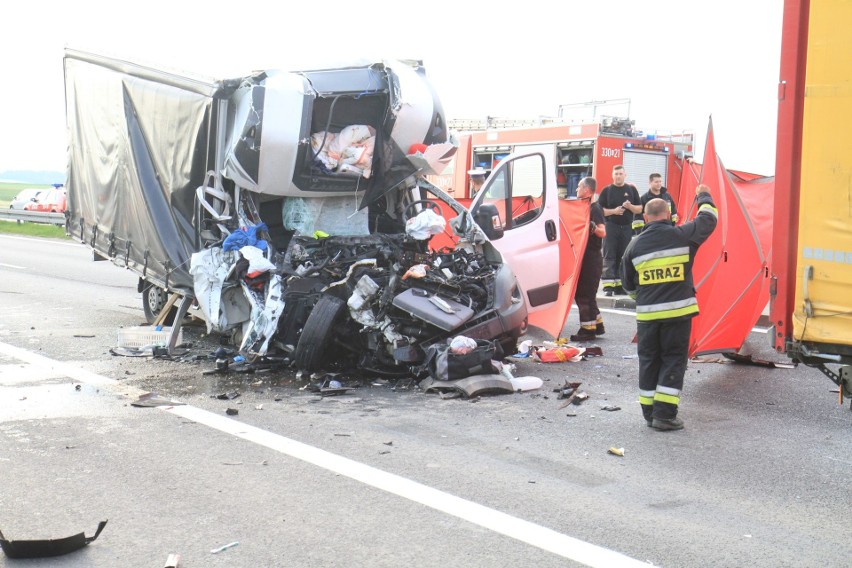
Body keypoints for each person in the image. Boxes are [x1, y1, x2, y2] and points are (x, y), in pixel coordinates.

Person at [622, 183, 718, 431]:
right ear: (669, 215)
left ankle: (649, 412)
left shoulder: (634, 246)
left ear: (645, 217)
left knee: (648, 361)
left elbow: (628, 284)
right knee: (673, 360)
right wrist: (703, 194)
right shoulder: (683, 235)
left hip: (647, 317)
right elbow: (709, 218)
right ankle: (664, 415)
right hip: (677, 314)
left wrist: (644, 298)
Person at [569, 177, 607, 342]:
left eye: (579, 187)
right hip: (587, 257)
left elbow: (602, 232)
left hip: (591, 257)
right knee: (588, 294)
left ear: (587, 190)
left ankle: (587, 329)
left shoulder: (595, 208)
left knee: (584, 294)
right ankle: (597, 325)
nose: (576, 190)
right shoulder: (584, 208)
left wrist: (592, 226)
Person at [597, 165, 642, 296]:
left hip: (627, 227)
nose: (618, 176)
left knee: (623, 256)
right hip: (611, 225)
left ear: (625, 175)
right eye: (616, 174)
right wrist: (614, 211)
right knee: (609, 254)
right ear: (612, 175)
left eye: (620, 174)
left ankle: (620, 285)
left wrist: (630, 206)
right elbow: (600, 211)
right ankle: (609, 286)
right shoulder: (607, 190)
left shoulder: (631, 190)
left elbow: (639, 209)